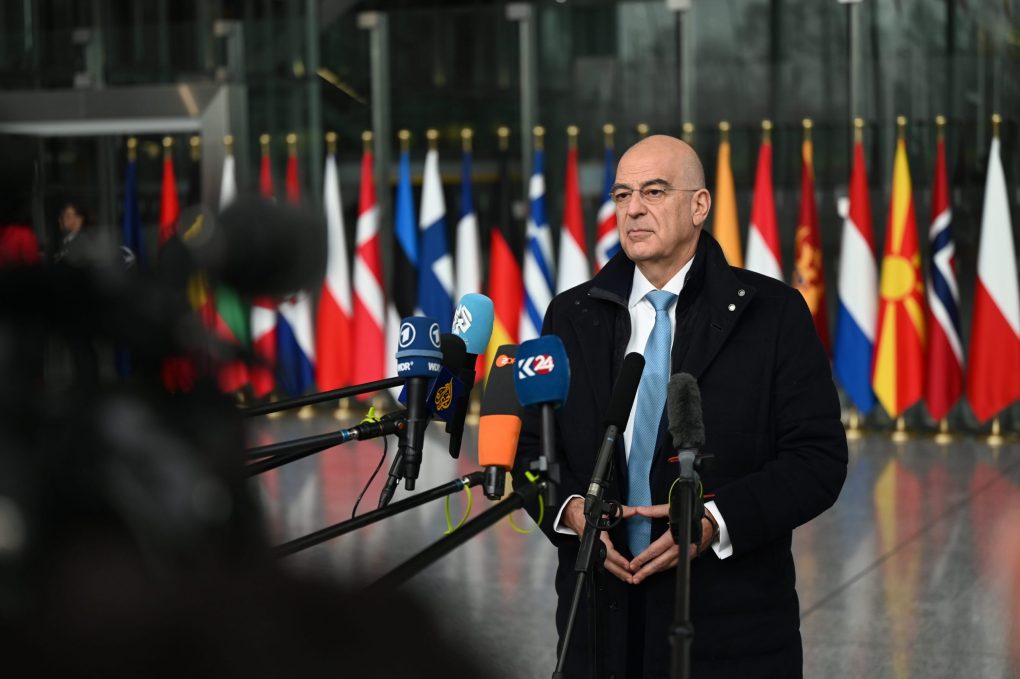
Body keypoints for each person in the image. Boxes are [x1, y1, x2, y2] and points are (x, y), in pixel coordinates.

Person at [514, 135, 848, 678]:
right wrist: (571, 510)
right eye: (622, 195)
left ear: (700, 205)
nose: (633, 209)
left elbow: (817, 460)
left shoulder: (774, 314)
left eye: (653, 191)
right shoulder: (571, 315)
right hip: (598, 625)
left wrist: (715, 522)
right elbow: (532, 448)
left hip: (731, 630)